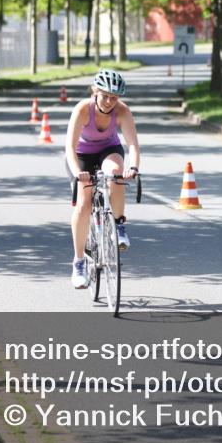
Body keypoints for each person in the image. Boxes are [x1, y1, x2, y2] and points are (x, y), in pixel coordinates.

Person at [65, 69, 140, 288]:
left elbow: (132, 144)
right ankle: (79, 262)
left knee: (115, 174)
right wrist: (78, 172)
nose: (109, 101)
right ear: (95, 92)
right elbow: (69, 146)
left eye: (114, 97)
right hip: (80, 155)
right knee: (84, 202)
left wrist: (133, 167)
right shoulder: (82, 109)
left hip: (108, 149)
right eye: (105, 95)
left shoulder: (122, 111)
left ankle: (118, 226)